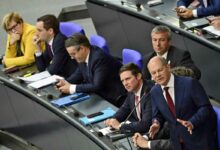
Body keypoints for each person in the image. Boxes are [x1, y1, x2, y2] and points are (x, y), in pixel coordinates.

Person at [147, 56, 217, 150]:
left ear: (168, 67)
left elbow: (206, 108)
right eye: (154, 73)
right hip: (177, 143)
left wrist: (192, 122)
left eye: (160, 70)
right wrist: (156, 123)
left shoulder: (189, 83)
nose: (157, 75)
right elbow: (157, 114)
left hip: (199, 140)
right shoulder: (154, 92)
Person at [56, 33, 126, 107]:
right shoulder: (83, 55)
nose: (72, 57)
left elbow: (96, 86)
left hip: (113, 97)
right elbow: (79, 72)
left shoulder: (99, 59)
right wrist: (66, 82)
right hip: (98, 93)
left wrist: (72, 88)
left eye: (73, 54)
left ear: (82, 48)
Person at [104, 63, 153, 133]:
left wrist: (120, 126)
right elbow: (125, 108)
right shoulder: (132, 89)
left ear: (138, 76)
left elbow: (146, 124)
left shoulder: (149, 92)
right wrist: (113, 119)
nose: (125, 84)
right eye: (122, 81)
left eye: (127, 79)